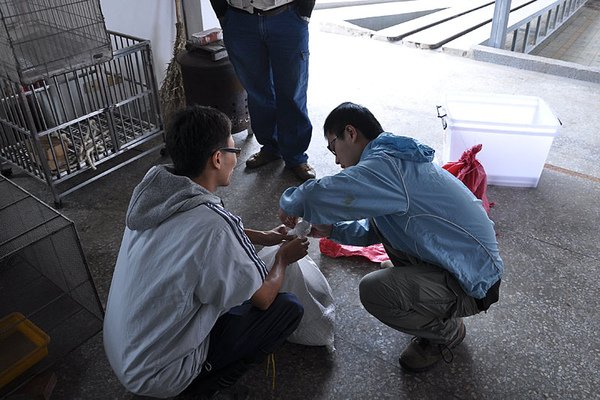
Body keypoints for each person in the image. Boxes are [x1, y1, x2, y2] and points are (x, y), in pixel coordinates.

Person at [278, 102, 503, 373]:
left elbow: (321, 193)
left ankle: (445, 332)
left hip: (474, 281)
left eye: (332, 147)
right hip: (463, 263)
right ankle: (423, 290)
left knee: (375, 291)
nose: (336, 159)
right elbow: (377, 230)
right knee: (391, 261)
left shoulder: (386, 167)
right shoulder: (393, 159)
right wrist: (333, 231)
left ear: (350, 133)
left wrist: (290, 202)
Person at [103, 105, 308, 398]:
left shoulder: (155, 192)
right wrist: (282, 258)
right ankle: (201, 387)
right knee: (286, 308)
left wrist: (262, 236)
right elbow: (263, 298)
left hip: (123, 352)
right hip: (160, 376)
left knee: (223, 288)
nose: (235, 161)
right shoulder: (213, 224)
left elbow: (195, 239)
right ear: (217, 158)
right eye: (234, 153)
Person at [209, 0, 316, 182]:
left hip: (287, 16)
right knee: (257, 91)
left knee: (292, 92)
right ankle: (271, 147)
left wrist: (304, 12)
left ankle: (295, 156)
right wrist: (222, 13)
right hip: (239, 20)